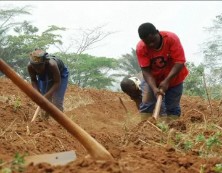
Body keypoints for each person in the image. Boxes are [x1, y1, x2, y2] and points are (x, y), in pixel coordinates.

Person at [134, 22, 189, 120]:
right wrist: (154, 88)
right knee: (147, 104)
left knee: (172, 107)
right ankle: (145, 128)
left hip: (174, 79)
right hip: (152, 79)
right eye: (147, 43)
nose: (151, 44)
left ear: (157, 33)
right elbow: (146, 71)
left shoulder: (171, 39)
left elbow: (180, 62)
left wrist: (167, 81)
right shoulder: (141, 48)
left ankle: (172, 129)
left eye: (153, 40)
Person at [27, 49, 69, 119]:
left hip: (60, 76)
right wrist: (38, 94)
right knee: (44, 101)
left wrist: (45, 96)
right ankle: (44, 121)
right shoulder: (30, 67)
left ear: (45, 63)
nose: (37, 70)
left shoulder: (52, 65)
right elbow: (33, 80)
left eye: (39, 67)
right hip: (44, 76)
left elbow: (57, 82)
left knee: (57, 101)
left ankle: (60, 122)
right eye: (35, 67)